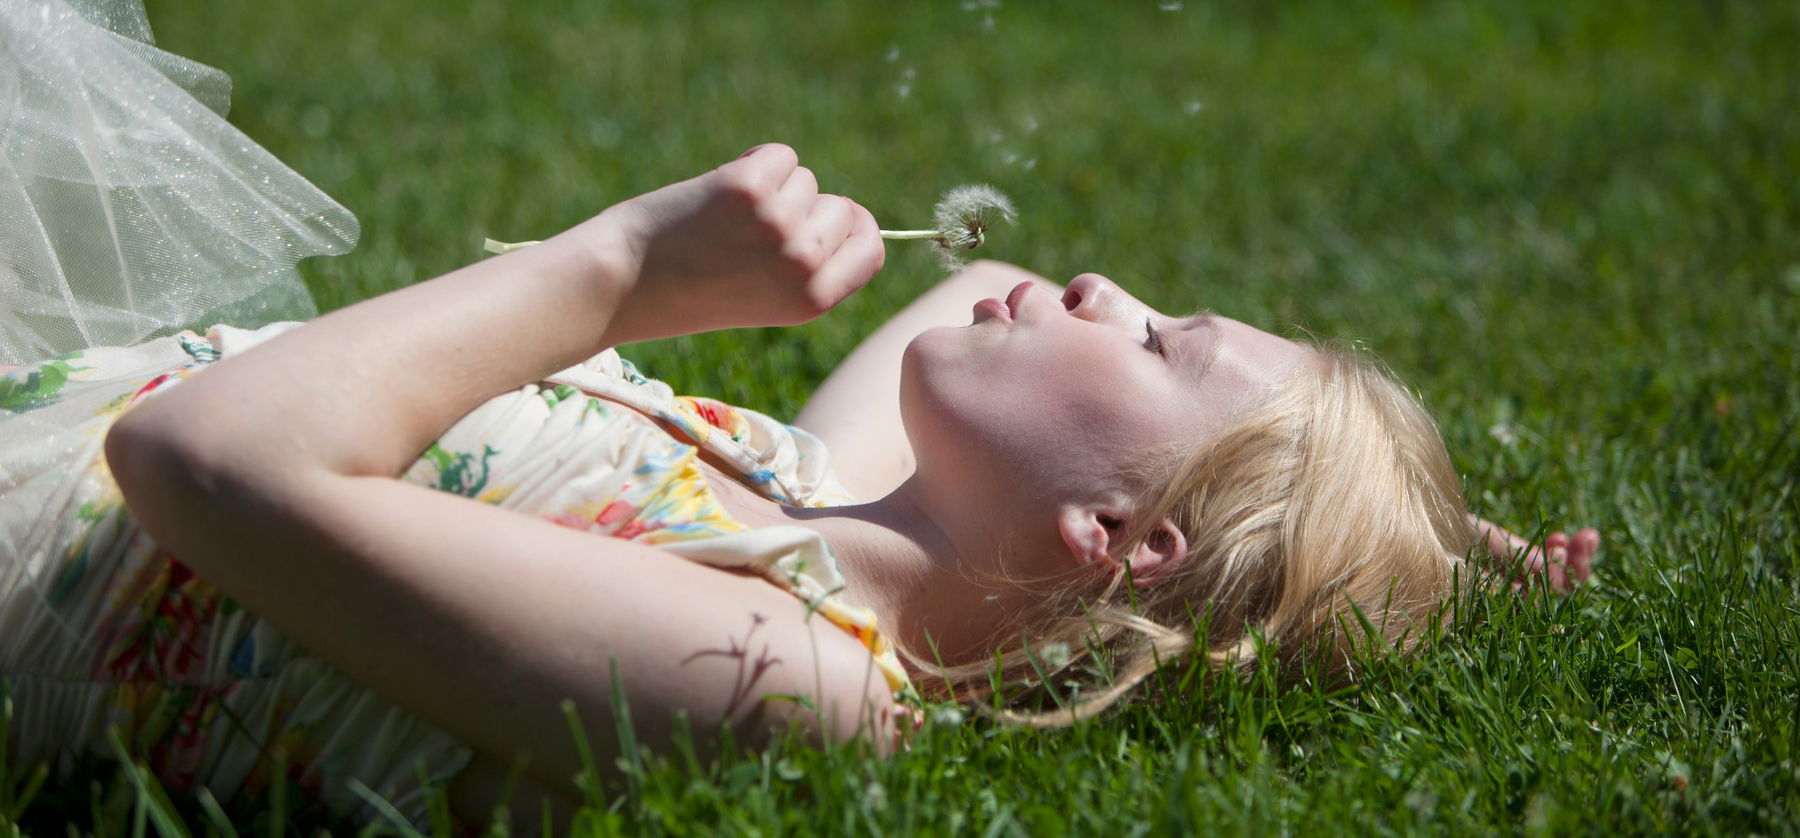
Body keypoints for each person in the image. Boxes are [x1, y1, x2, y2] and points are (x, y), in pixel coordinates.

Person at [2, 141, 1599, 828]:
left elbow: (202, 461)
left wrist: (615, 266)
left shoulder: (794, 685)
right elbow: (1019, 270)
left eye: (1167, 337)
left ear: (1119, 537)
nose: (1107, 283)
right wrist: (1382, 521)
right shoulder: (813, 500)